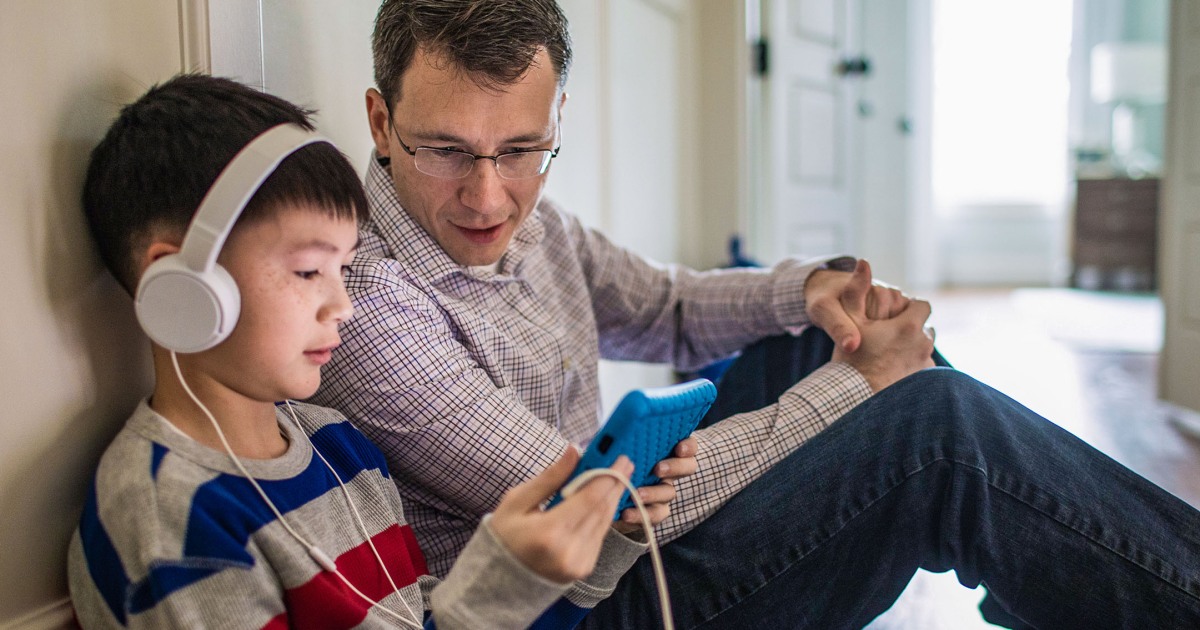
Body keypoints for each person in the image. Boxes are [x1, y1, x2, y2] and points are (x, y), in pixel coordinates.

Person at [312, 0, 1200, 627]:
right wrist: (862, 386)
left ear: (555, 121)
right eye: (445, 152)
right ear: (381, 122)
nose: (489, 194)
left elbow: (663, 308)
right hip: (585, 605)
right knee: (931, 423)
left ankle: (1057, 573)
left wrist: (808, 289)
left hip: (630, 543)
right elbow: (602, 502)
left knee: (817, 338)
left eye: (522, 150)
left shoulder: (537, 223)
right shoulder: (364, 299)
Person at [67, 73, 697, 629]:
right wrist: (489, 591)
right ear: (183, 287)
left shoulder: (339, 449)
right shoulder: (167, 515)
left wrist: (605, 538)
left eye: (344, 268)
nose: (343, 306)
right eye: (310, 271)